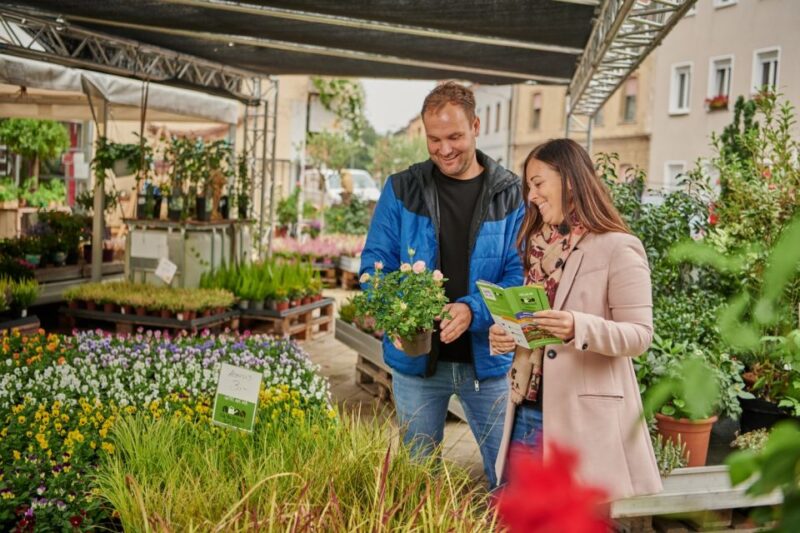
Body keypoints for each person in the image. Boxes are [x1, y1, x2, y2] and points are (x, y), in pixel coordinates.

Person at [359, 82, 525, 487]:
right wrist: (405, 310)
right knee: (417, 481)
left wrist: (472, 310)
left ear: (476, 126)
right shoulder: (402, 188)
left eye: (455, 137)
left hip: (488, 367)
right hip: (417, 367)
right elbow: (374, 266)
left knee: (509, 480)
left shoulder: (511, 194)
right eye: (434, 139)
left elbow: (521, 278)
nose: (444, 149)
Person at [490, 138, 662, 500]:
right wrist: (508, 333)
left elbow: (640, 335)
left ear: (569, 180)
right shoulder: (538, 245)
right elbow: (537, 328)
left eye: (538, 184)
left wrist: (578, 327)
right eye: (528, 187)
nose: (531, 196)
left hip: (580, 421)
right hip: (526, 406)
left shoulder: (618, 246)